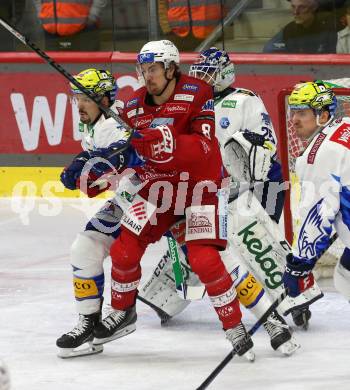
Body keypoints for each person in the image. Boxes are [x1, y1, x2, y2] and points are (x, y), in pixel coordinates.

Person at [90, 39, 255, 360]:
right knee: (124, 250)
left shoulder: (198, 94)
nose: (146, 75)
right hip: (156, 190)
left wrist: (169, 142)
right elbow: (130, 152)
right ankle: (122, 311)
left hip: (200, 189)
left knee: (204, 260)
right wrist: (101, 164)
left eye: (152, 69)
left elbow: (206, 149)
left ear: (170, 68)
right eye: (142, 69)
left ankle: (234, 325)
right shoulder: (135, 104)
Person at [138, 48, 306, 356]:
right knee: (212, 256)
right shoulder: (186, 102)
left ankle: (293, 300)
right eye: (199, 71)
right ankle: (165, 299)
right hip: (201, 193)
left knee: (256, 249)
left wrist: (250, 162)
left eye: (211, 71)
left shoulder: (244, 99)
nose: (204, 78)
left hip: (254, 187)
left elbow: (265, 145)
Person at [56, 67, 143, 358]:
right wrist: (83, 167)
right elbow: (98, 161)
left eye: (85, 98)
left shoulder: (119, 122)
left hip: (160, 200)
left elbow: (120, 154)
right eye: (76, 97)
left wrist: (100, 166)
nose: (79, 105)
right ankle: (88, 321)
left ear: (104, 99)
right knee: (84, 247)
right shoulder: (95, 125)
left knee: (212, 258)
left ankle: (123, 311)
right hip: (128, 200)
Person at [283, 80, 350, 302]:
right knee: (344, 274)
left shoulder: (320, 155)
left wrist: (298, 266)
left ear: (322, 115)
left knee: (345, 279)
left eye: (302, 113)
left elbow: (317, 216)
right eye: (293, 112)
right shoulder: (345, 125)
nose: (293, 120)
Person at [263, 0, 337, 53]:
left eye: (302, 7)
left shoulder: (328, 29)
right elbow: (269, 50)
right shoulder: (289, 29)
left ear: (313, 8)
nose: (296, 12)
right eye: (293, 7)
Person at [37, 0, 106, 51]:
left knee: (86, 67)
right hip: (51, 31)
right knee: (53, 68)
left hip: (83, 30)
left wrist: (93, 15)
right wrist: (41, 13)